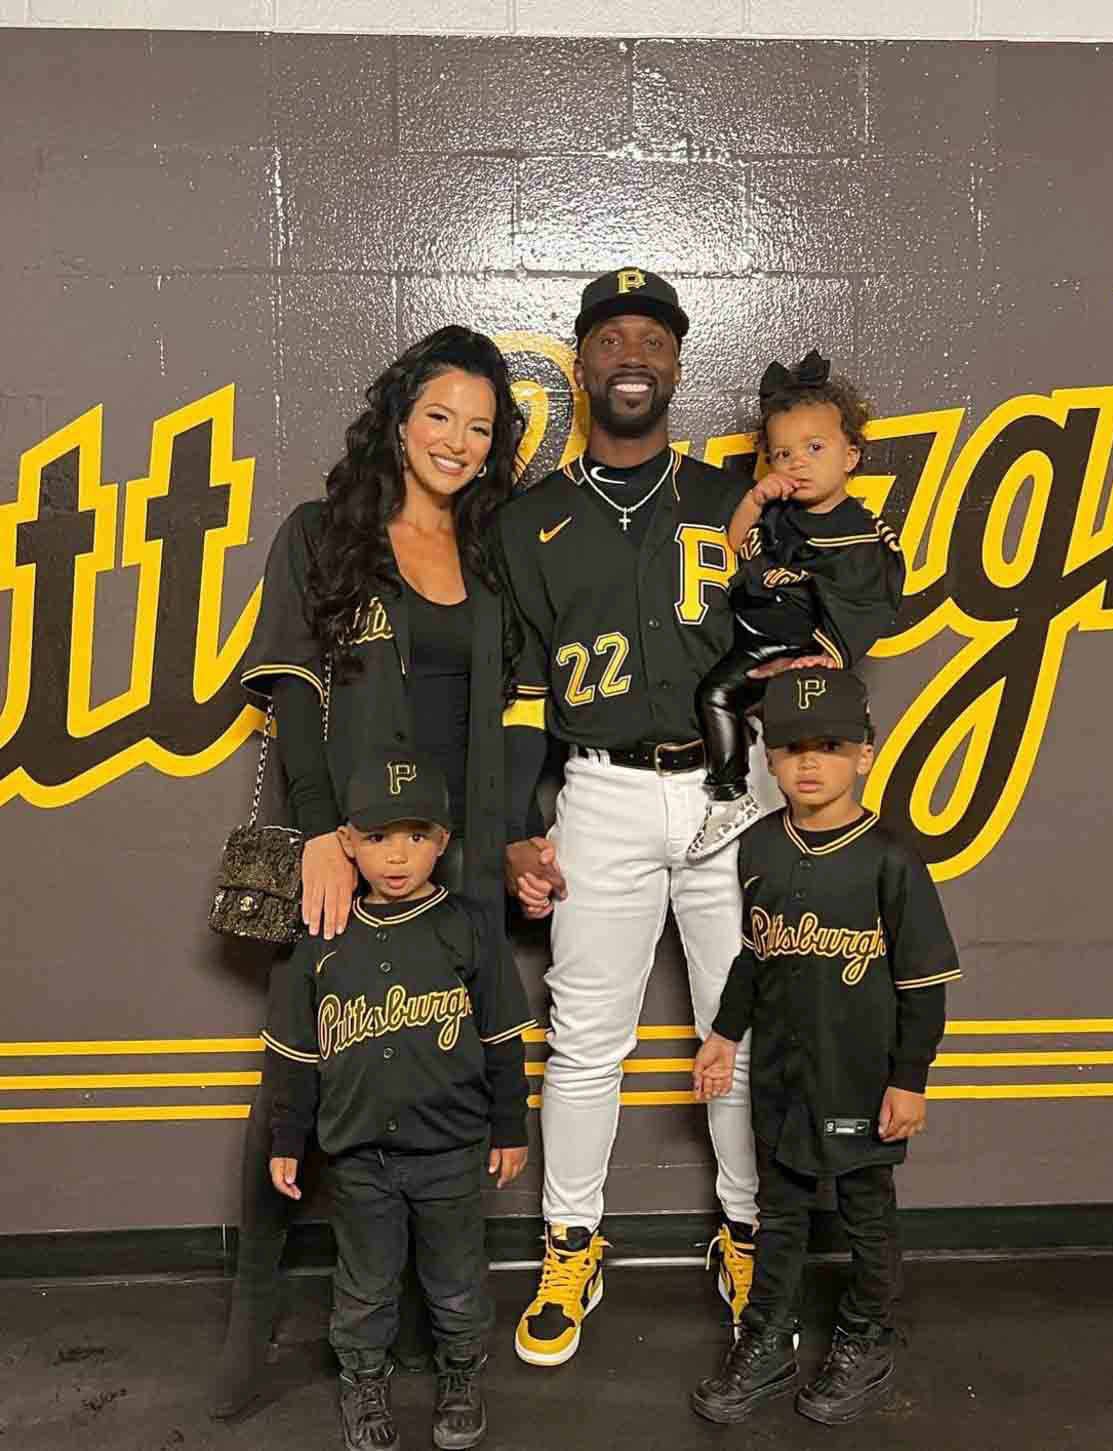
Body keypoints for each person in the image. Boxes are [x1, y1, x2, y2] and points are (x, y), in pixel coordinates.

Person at [211, 327, 541, 1418]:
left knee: (452, 1065)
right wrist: (319, 829)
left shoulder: (497, 556)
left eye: (481, 426)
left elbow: (518, 714)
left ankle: (447, 1345)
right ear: (399, 419)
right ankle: (250, 1336)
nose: (458, 439)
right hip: (356, 846)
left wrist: (511, 837)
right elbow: (298, 692)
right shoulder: (324, 536)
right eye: (440, 414)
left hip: (456, 860)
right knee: (311, 1061)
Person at [498, 268, 805, 1367]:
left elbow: (807, 637)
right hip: (601, 787)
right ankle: (569, 1242)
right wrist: (516, 825)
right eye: (610, 336)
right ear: (580, 363)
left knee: (748, 1023)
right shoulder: (528, 520)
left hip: (734, 783)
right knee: (584, 1037)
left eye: (653, 336)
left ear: (678, 361)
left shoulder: (737, 494)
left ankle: (747, 1234)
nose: (632, 351)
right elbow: (520, 698)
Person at [690, 668, 961, 1427]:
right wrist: (722, 1034)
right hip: (782, 1072)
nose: (811, 763)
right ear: (768, 759)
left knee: (867, 1212)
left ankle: (868, 1336)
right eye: (793, 747)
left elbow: (925, 982)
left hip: (861, 1076)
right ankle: (769, 1338)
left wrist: (910, 1079)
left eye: (831, 746)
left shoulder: (890, 859)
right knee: (779, 1214)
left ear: (865, 754)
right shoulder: (760, 853)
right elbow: (753, 957)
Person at [263, 752, 535, 1451]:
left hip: (451, 1147)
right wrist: (288, 1137)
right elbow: (295, 1054)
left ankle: (461, 1373)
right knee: (365, 1287)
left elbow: (502, 1038)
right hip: (359, 1156)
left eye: (416, 835)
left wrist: (510, 1126)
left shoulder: (468, 925)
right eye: (379, 836)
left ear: (442, 842)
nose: (397, 854)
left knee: (454, 1281)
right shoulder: (322, 935)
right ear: (348, 841)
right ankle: (363, 1377)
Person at [687, 352, 905, 862]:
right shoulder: (780, 516)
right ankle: (732, 797)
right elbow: (729, 550)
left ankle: (744, 806)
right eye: (783, 455)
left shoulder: (862, 534)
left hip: (806, 653)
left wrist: (825, 656)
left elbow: (869, 602)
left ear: (850, 456)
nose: (797, 463)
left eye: (814, 447)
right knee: (715, 694)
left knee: (802, 754)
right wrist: (754, 501)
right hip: (757, 639)